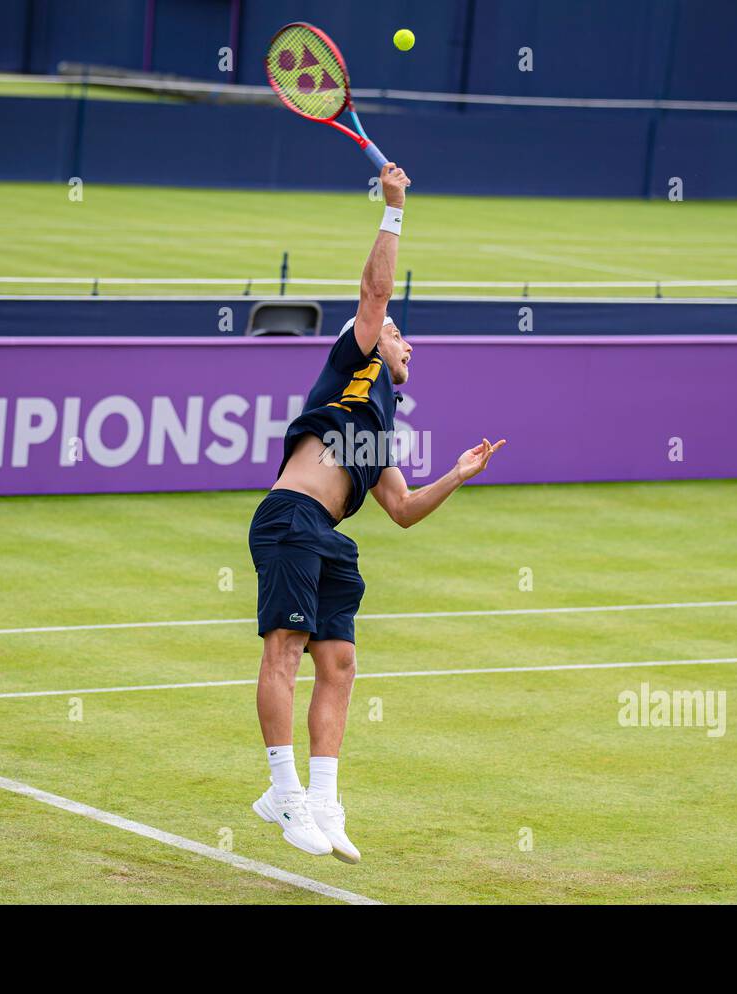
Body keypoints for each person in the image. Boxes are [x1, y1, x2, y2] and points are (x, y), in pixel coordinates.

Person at [248, 162, 506, 861]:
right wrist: (393, 208)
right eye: (398, 335)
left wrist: (456, 473)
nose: (406, 343)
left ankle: (325, 801)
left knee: (341, 665)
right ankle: (284, 792)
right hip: (290, 520)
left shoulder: (378, 431)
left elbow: (402, 509)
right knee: (286, 653)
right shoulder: (350, 366)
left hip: (328, 540)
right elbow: (375, 290)